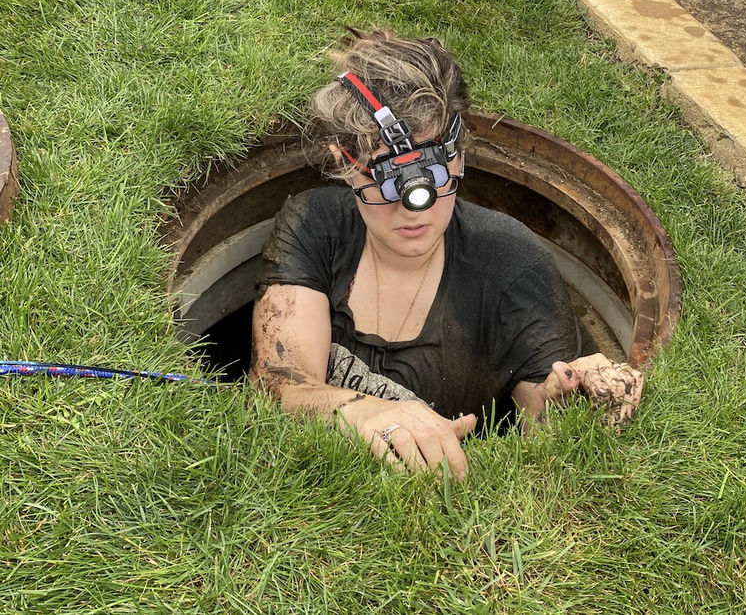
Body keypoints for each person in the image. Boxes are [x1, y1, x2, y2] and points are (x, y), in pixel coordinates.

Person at [249, 29, 643, 480]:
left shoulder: (513, 266)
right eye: (388, 179)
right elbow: (279, 385)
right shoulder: (317, 224)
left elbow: (546, 436)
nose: (415, 204)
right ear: (344, 164)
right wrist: (361, 412)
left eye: (432, 170)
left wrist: (568, 393)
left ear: (458, 157)